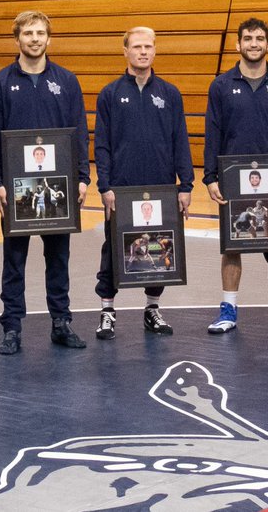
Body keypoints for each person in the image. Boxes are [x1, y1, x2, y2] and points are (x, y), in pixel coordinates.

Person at [0, 11, 90, 355]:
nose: (34, 38)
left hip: (57, 188)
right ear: (17, 39)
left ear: (49, 38)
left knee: (58, 259)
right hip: (16, 190)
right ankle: (11, 327)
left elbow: (79, 132)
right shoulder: (0, 83)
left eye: (40, 33)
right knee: (14, 261)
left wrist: (83, 177)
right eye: (28, 33)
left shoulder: (67, 81)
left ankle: (61, 322)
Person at [203, 18, 268, 334]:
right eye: (248, 38)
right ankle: (228, 308)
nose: (254, 43)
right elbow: (213, 133)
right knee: (232, 245)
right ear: (238, 44)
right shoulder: (221, 86)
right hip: (234, 179)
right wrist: (210, 177)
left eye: (260, 38)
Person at [94, 26, 193, 339]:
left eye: (148, 46)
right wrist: (105, 186)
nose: (143, 51)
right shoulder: (110, 94)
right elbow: (102, 145)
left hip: (161, 189)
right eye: (137, 46)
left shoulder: (170, 94)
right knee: (114, 249)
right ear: (125, 51)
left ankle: (152, 308)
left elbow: (181, 141)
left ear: (155, 50)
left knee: (157, 247)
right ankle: (107, 311)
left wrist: (186, 185)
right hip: (121, 190)